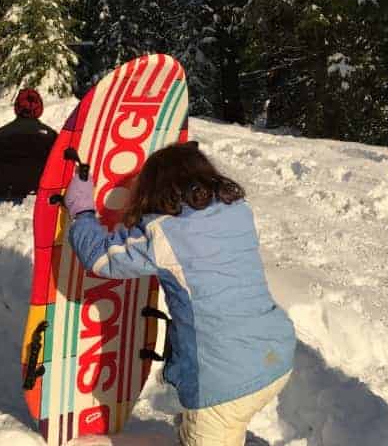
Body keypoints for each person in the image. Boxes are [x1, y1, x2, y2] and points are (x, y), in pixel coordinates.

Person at [65, 142, 296, 446]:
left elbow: (101, 258)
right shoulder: (237, 210)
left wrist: (82, 211)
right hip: (275, 357)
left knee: (212, 428)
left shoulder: (165, 233)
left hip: (225, 382)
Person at [0, 88, 57, 208]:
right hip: (33, 200)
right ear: (39, 108)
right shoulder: (51, 136)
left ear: (17, 108)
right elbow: (58, 170)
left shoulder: (1, 133)